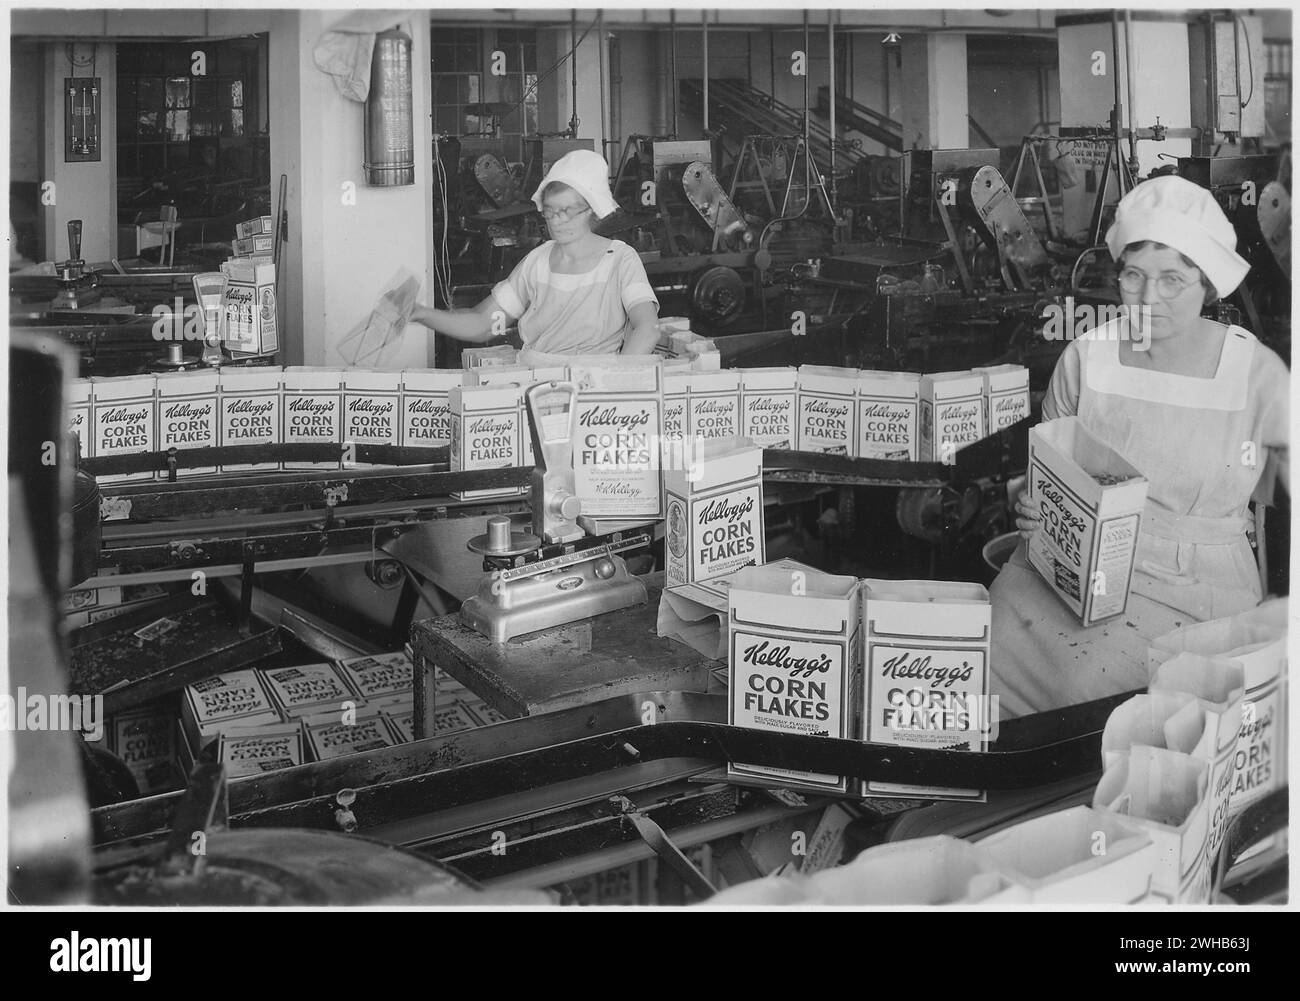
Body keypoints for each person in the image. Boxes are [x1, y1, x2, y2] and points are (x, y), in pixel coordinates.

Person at [990, 175, 1290, 718]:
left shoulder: (1256, 374)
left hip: (1194, 591)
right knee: (974, 660)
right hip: (1067, 573)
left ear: (1208, 285)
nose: (1149, 299)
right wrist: (1030, 504)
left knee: (1087, 692)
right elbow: (1048, 476)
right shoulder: (1087, 357)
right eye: (1134, 276)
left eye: (1173, 280)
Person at [411, 149, 660, 359]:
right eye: (550, 211)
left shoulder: (619, 260)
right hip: (538, 383)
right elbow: (484, 323)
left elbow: (647, 328)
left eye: (568, 210)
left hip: (596, 389)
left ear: (592, 210)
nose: (558, 221)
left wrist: (616, 382)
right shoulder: (537, 263)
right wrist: (421, 313)